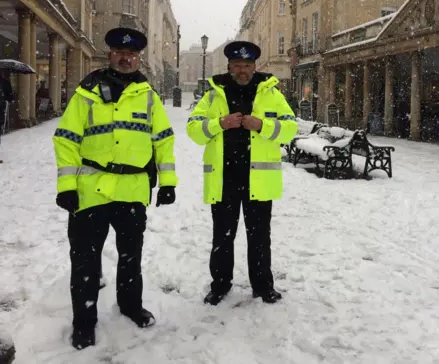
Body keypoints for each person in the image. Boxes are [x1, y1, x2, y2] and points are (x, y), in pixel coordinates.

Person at [52, 27, 178, 350]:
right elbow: (66, 139)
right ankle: (84, 322)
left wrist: (168, 183)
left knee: (130, 257)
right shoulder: (87, 92)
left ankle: (130, 306)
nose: (126, 58)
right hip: (91, 188)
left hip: (133, 189)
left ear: (138, 58)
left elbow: (163, 141)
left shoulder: (148, 96)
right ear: (110, 55)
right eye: (120, 53)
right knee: (85, 260)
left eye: (132, 54)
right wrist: (67, 186)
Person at [187, 40, 298, 306]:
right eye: (237, 65)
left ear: (254, 66)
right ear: (230, 66)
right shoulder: (214, 93)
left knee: (259, 236)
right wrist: (219, 123)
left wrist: (261, 125)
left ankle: (263, 286)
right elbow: (193, 129)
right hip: (223, 179)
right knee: (223, 236)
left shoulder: (270, 91)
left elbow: (291, 127)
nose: (242, 70)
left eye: (247, 65)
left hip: (258, 179)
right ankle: (220, 285)